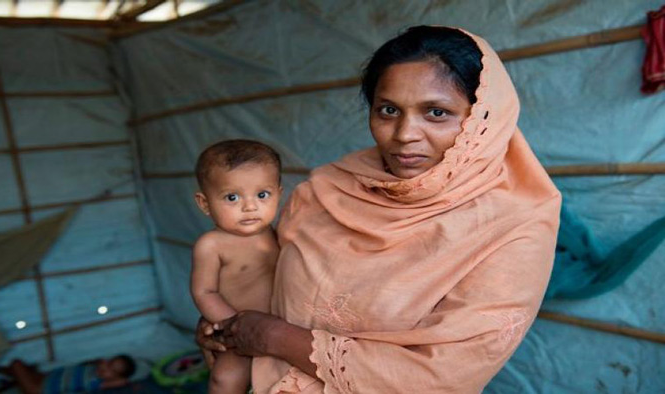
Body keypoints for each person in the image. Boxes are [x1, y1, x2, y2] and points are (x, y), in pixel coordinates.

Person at [197, 26, 561, 393]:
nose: (404, 134)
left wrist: (276, 338)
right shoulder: (323, 191)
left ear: (483, 119)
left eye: (436, 112)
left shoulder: (514, 227)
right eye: (388, 110)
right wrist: (225, 322)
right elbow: (268, 281)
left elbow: (443, 376)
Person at [191, 140, 282, 394]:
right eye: (232, 197)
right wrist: (233, 325)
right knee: (225, 378)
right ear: (205, 203)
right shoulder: (211, 245)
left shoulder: (280, 232)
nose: (250, 207)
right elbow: (205, 292)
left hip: (283, 326)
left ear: (279, 193)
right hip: (237, 331)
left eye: (263, 195)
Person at [0, 355, 135, 394]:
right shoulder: (92, 366)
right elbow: (99, 360)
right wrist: (102, 362)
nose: (106, 369)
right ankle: (2, 373)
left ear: (116, 379)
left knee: (16, 364)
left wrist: (120, 380)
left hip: (39, 390)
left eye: (112, 371)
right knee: (24, 367)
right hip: (43, 377)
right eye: (109, 363)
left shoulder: (98, 383)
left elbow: (123, 382)